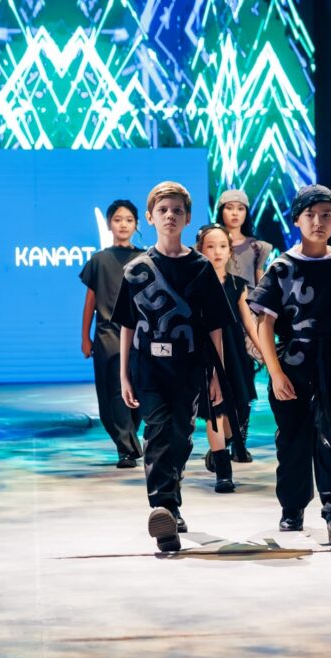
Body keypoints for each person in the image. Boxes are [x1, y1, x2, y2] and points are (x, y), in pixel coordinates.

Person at [248, 185, 331, 549]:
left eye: (326, 215)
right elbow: (264, 324)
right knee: (293, 439)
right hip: (292, 362)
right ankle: (292, 508)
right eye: (310, 215)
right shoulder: (281, 268)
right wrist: (275, 372)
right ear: (297, 220)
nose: (318, 222)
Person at [112, 181, 234, 552]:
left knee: (181, 434)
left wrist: (217, 375)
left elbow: (215, 326)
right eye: (162, 210)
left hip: (189, 365)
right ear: (150, 218)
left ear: (188, 217)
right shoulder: (136, 270)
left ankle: (171, 500)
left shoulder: (201, 267)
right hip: (148, 365)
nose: (170, 216)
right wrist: (123, 374)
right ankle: (163, 506)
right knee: (158, 431)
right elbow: (127, 324)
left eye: (177, 210)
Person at [194, 223, 263, 493]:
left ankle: (219, 449)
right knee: (216, 411)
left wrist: (265, 351)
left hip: (236, 355)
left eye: (222, 246)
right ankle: (223, 471)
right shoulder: (196, 284)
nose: (217, 252)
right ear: (200, 250)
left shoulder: (237, 284)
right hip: (208, 354)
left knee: (238, 411)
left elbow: (249, 323)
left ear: (230, 251)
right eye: (210, 246)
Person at [79, 199, 145, 468]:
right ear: (109, 224)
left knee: (137, 391)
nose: (123, 225)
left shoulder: (146, 258)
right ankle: (127, 448)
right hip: (108, 335)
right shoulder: (99, 260)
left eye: (129, 220)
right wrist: (85, 337)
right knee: (112, 394)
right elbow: (90, 301)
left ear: (137, 224)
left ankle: (128, 442)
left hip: (140, 334)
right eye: (118, 219)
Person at [215, 188, 270, 459]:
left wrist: (259, 327)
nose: (235, 213)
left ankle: (240, 441)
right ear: (221, 211)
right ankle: (221, 442)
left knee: (244, 382)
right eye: (229, 207)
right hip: (216, 320)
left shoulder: (257, 247)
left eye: (240, 208)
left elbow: (260, 287)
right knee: (218, 381)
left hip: (245, 319)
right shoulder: (211, 241)